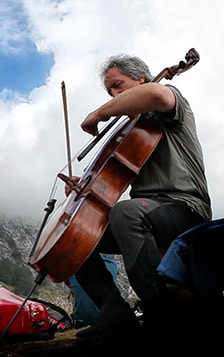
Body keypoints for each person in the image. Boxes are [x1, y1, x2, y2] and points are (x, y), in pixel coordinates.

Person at [73, 53, 211, 339]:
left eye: (118, 85)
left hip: (184, 207)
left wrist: (100, 112)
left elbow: (154, 94)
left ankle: (162, 313)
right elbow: (112, 183)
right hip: (148, 213)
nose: (113, 94)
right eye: (109, 90)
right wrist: (83, 186)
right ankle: (114, 314)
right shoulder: (132, 131)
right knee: (77, 235)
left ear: (140, 78)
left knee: (126, 212)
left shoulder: (169, 101)